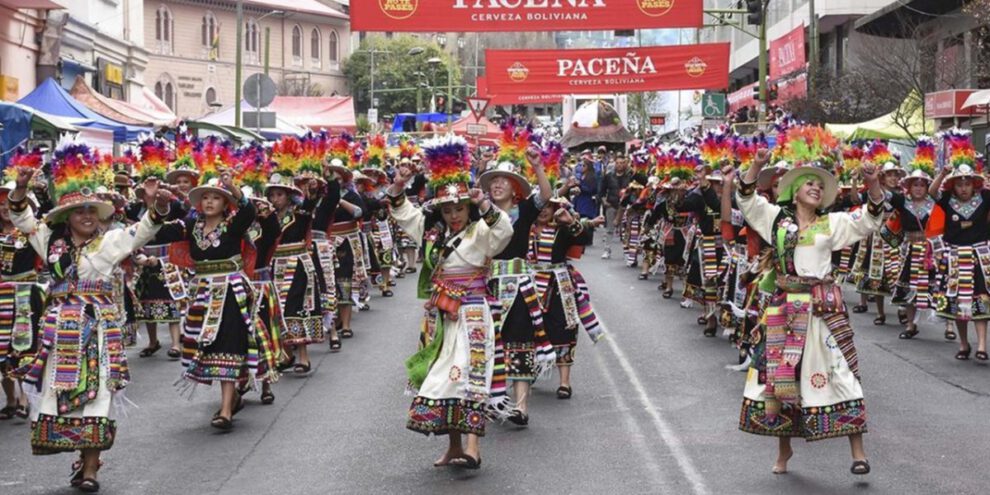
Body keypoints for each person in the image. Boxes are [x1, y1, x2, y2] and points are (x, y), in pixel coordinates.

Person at [9, 142, 171, 492]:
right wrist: (20, 189)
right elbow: (23, 219)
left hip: (98, 329)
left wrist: (155, 206)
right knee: (60, 393)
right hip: (59, 332)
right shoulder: (50, 243)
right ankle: (82, 458)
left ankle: (91, 469)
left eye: (91, 211)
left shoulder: (110, 241)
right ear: (66, 217)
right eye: (78, 211)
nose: (86, 216)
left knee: (98, 394)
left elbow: (142, 231)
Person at [736, 128, 883, 477]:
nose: (816, 188)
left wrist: (873, 184)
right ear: (794, 191)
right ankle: (784, 451)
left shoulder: (831, 224)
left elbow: (870, 219)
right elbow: (746, 199)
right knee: (782, 381)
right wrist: (757, 165)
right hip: (786, 312)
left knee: (843, 374)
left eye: (820, 185)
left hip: (822, 312)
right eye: (809, 184)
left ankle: (858, 453)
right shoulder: (776, 220)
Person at [388, 135, 512, 470]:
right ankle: (454, 446)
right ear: (439, 211)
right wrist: (399, 184)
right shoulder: (432, 234)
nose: (454, 215)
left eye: (459, 208)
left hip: (472, 314)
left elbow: (504, 233)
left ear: (469, 207)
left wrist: (484, 205)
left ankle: (473, 447)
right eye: (447, 209)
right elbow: (403, 213)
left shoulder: (480, 231)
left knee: (470, 376)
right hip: (442, 314)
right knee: (443, 377)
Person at [478, 131, 553, 426]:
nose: (497, 185)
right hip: (489, 284)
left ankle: (521, 407)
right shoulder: (481, 214)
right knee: (489, 342)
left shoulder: (525, 210)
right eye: (493, 181)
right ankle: (492, 400)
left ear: (515, 188)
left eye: (504, 181)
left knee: (521, 340)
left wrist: (537, 166)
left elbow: (546, 196)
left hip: (520, 285)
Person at [927, 129, 990, 361]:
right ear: (953, 186)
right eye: (959, 184)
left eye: (968, 183)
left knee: (981, 299)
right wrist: (943, 173)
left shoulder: (985, 198)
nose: (964, 188)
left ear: (974, 184)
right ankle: (964, 345)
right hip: (954, 257)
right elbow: (932, 192)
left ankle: (981, 346)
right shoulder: (947, 200)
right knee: (958, 302)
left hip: (979, 256)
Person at [889, 137, 937, 339]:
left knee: (938, 286)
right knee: (908, 285)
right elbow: (883, 194)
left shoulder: (935, 203)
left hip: (930, 249)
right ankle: (910, 325)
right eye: (915, 184)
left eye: (922, 185)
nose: (918, 188)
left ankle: (949, 325)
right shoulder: (903, 202)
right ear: (909, 186)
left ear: (927, 187)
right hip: (908, 248)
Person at [599, 154, 632, 259]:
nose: (619, 165)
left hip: (625, 206)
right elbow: (601, 190)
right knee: (609, 229)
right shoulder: (609, 176)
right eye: (617, 163)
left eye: (621, 163)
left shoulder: (629, 176)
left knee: (626, 230)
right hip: (612, 205)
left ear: (625, 164)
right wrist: (604, 202)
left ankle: (627, 252)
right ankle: (607, 250)